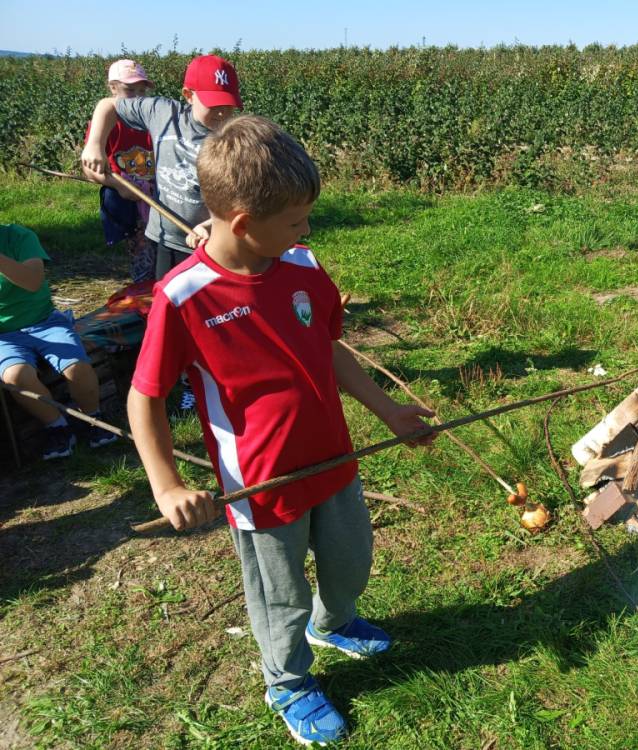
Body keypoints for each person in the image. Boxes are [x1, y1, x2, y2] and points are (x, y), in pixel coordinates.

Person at [126, 115, 436, 746]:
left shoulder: (300, 267)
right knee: (279, 593)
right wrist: (167, 485)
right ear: (244, 224)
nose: (306, 230)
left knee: (351, 560)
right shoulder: (185, 296)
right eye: (297, 221)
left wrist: (389, 412)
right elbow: (144, 398)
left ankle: (336, 622)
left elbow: (329, 349)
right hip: (262, 484)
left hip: (333, 460)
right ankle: (288, 681)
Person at [81, 54, 242, 281]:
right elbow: (108, 105)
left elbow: (242, 202)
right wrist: (94, 145)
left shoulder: (235, 141)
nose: (222, 112)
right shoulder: (162, 114)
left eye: (228, 104)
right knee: (168, 292)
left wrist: (210, 225)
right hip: (165, 237)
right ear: (188, 95)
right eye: (213, 103)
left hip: (210, 242)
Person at [0, 224, 118, 459]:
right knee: (15, 376)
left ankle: (93, 418)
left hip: (44, 321)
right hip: (3, 335)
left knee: (76, 366)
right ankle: (57, 426)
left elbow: (33, 281)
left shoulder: (19, 237)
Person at [81, 59, 157, 283]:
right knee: (140, 248)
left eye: (142, 91)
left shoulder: (151, 120)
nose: (137, 97)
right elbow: (90, 169)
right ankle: (144, 287)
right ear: (113, 88)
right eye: (130, 90)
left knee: (159, 245)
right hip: (127, 199)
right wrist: (118, 186)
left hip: (153, 194)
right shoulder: (107, 125)